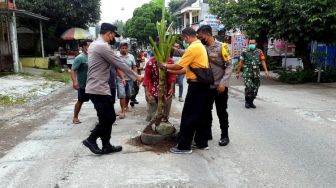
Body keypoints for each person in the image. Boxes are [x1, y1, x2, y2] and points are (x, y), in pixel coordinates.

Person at [83, 23, 143, 155]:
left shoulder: (94, 44)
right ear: (109, 33)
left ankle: (106, 145)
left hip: (98, 87)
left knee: (106, 118)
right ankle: (91, 140)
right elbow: (119, 63)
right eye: (113, 35)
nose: (113, 38)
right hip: (98, 88)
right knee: (109, 118)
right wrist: (136, 76)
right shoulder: (102, 46)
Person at [161, 27, 211, 154]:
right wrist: (168, 70)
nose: (184, 41)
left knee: (189, 115)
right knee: (200, 115)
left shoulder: (193, 48)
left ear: (186, 37)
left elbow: (180, 66)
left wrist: (165, 65)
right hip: (202, 86)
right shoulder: (200, 46)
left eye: (183, 39)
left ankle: (184, 146)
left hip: (196, 86)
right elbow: (186, 70)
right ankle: (201, 142)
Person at [197, 25, 232, 146]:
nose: (199, 38)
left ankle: (225, 135)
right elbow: (186, 53)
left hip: (220, 87)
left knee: (221, 111)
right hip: (207, 86)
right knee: (206, 111)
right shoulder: (201, 47)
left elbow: (229, 66)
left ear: (207, 34)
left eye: (201, 36)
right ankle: (208, 132)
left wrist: (223, 83)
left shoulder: (222, 46)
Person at [236, 39, 270, 108]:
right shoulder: (244, 51)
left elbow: (263, 61)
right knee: (249, 87)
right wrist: (238, 72)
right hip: (247, 72)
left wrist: (266, 71)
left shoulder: (259, 51)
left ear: (256, 43)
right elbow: (241, 62)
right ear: (248, 43)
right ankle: (247, 102)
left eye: (253, 43)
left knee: (255, 88)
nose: (251, 44)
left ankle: (251, 102)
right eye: (250, 43)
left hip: (256, 73)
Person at [143, 55, 176, 122]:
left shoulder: (169, 61)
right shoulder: (150, 62)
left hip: (167, 89)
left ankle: (164, 121)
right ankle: (152, 121)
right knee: (151, 112)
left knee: (165, 112)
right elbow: (147, 78)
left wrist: (172, 89)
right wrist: (146, 92)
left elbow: (172, 76)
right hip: (152, 89)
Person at [70, 39, 92, 124]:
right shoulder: (80, 58)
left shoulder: (93, 56)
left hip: (93, 84)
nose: (89, 47)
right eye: (88, 45)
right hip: (83, 85)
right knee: (80, 101)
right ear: (83, 47)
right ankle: (75, 117)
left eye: (91, 46)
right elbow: (72, 70)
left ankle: (101, 118)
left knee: (98, 101)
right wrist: (75, 82)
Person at [116, 42, 137, 119]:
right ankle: (122, 111)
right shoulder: (117, 56)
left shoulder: (131, 57)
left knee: (128, 94)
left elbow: (134, 66)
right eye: (122, 48)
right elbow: (116, 68)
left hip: (130, 78)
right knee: (122, 94)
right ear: (120, 48)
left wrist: (135, 76)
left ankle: (126, 106)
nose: (124, 49)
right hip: (120, 78)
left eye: (125, 48)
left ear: (127, 48)